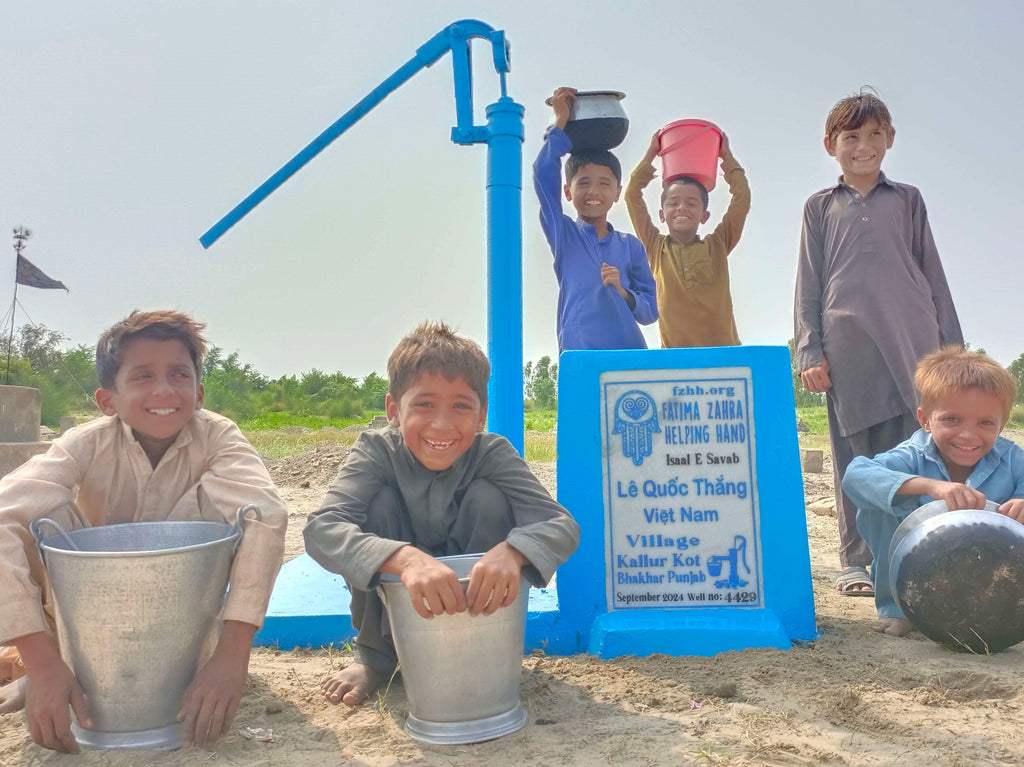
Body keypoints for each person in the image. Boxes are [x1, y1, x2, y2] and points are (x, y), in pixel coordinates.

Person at [0, 310, 287, 753]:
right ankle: (53, 667)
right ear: (107, 400)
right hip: (87, 625)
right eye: (142, 376)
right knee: (34, 510)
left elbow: (267, 515)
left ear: (199, 390)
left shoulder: (217, 437)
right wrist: (41, 664)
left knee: (241, 502)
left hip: (185, 628)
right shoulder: (85, 443)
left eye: (179, 375)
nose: (163, 391)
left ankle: (205, 664)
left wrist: (233, 657)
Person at [304, 321, 580, 707]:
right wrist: (403, 558)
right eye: (424, 404)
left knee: (490, 499)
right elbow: (322, 528)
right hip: (397, 598)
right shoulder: (375, 451)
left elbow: (559, 524)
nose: (442, 424)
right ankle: (376, 659)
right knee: (376, 506)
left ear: (481, 415)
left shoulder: (492, 453)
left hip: (473, 611)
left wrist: (513, 551)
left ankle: (479, 645)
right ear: (393, 410)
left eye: (461, 406)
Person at [793, 89, 963, 597]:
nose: (863, 146)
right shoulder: (819, 207)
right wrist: (809, 349)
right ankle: (854, 560)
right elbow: (808, 281)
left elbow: (932, 274)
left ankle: (907, 554)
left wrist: (952, 351)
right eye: (851, 137)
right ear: (831, 144)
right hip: (846, 348)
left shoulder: (908, 199)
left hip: (912, 343)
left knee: (912, 456)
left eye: (873, 135)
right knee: (854, 457)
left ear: (889, 139)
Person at [842, 347, 1024, 636]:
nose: (967, 435)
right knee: (878, 501)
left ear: (1001, 425)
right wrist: (930, 486)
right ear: (925, 419)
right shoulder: (912, 455)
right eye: (952, 419)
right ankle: (899, 610)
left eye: (985, 423)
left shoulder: (1013, 459)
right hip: (916, 574)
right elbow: (856, 475)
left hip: (989, 579)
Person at [533, 86, 658, 353]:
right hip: (580, 356)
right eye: (584, 183)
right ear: (568, 191)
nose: (593, 192)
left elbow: (650, 312)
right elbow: (542, 172)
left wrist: (623, 292)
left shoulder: (630, 246)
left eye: (604, 183)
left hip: (629, 357)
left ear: (617, 192)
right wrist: (561, 122)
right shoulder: (564, 234)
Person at [624, 129, 750, 348]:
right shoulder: (656, 247)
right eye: (673, 203)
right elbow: (632, 195)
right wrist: (652, 153)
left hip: (724, 354)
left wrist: (726, 157)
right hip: (675, 360)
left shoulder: (718, 244)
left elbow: (742, 198)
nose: (682, 208)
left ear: (704, 215)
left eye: (692, 203)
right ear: (662, 215)